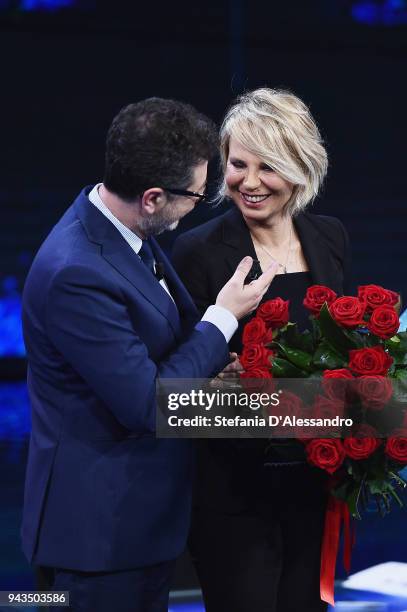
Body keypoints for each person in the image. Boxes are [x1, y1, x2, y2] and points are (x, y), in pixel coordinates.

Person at [21, 97, 277, 612]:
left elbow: (153, 343)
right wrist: (222, 317)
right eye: (194, 198)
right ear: (154, 198)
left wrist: (211, 361)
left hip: (140, 527)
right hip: (96, 545)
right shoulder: (76, 273)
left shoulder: (124, 230)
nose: (198, 206)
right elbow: (148, 405)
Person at [172, 88, 351, 612]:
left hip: (315, 487)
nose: (248, 182)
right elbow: (182, 392)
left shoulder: (331, 237)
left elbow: (345, 355)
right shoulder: (197, 250)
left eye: (267, 166)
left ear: (300, 168)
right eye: (237, 164)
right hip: (234, 497)